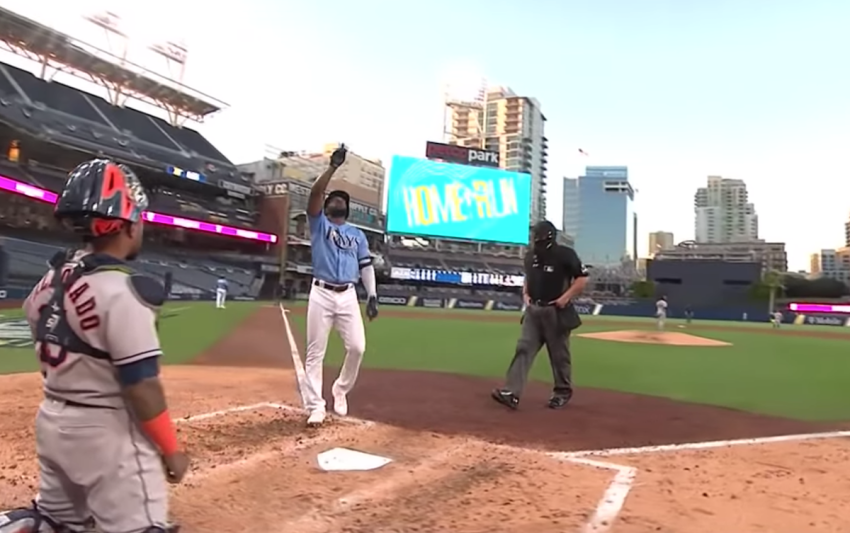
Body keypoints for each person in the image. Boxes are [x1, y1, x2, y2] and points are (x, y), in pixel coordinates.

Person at [0, 159, 187, 533]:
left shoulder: (49, 279)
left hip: (53, 421)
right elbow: (142, 386)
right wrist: (171, 449)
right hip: (108, 436)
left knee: (57, 521)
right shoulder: (124, 293)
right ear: (129, 223)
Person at [302, 144, 379, 426]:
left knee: (358, 347)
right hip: (321, 292)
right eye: (333, 198)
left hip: (347, 294)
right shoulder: (319, 224)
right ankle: (316, 406)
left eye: (341, 199)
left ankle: (340, 389)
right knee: (315, 352)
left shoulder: (357, 234)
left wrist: (372, 294)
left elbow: (366, 265)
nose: (337, 201)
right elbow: (313, 194)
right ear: (327, 205)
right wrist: (333, 167)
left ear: (347, 208)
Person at [491, 220, 588, 410]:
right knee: (524, 348)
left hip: (556, 311)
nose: (535, 239)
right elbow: (529, 277)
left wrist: (565, 297)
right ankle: (512, 392)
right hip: (533, 310)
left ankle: (562, 392)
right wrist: (525, 293)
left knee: (559, 355)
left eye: (538, 236)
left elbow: (582, 278)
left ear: (549, 236)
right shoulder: (530, 256)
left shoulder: (565, 255)